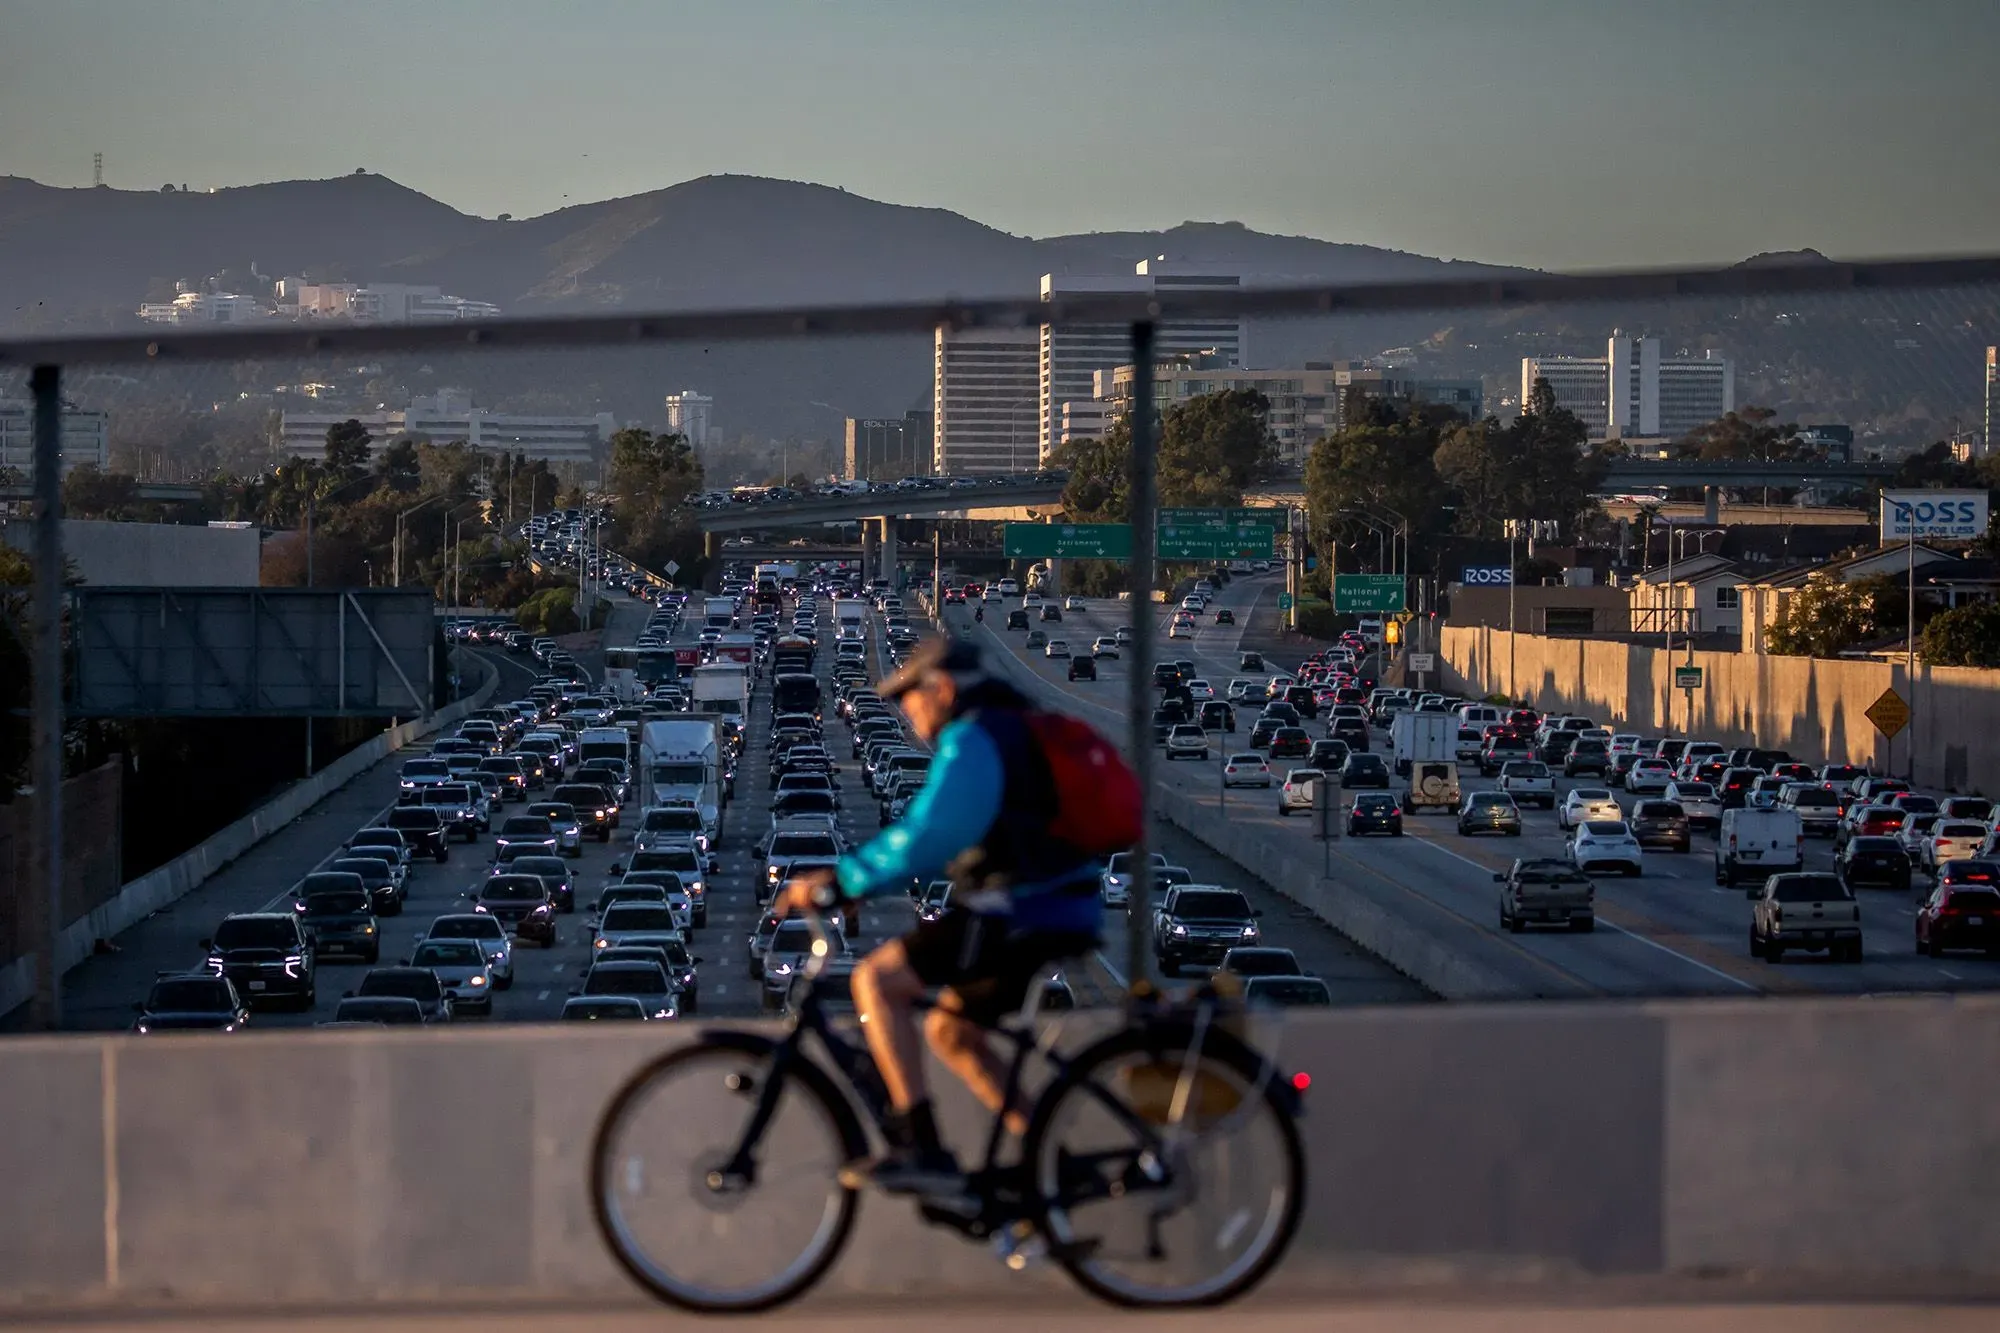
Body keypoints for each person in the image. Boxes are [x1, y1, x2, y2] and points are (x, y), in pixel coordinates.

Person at [773, 636, 1102, 1195]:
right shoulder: (1010, 725)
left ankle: (921, 1148)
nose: (907, 711)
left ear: (942, 688)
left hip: (1024, 908)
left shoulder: (975, 739)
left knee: (875, 980)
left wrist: (844, 880)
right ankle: (1055, 1165)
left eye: (910, 697)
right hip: (1056, 905)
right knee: (953, 1032)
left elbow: (930, 836)